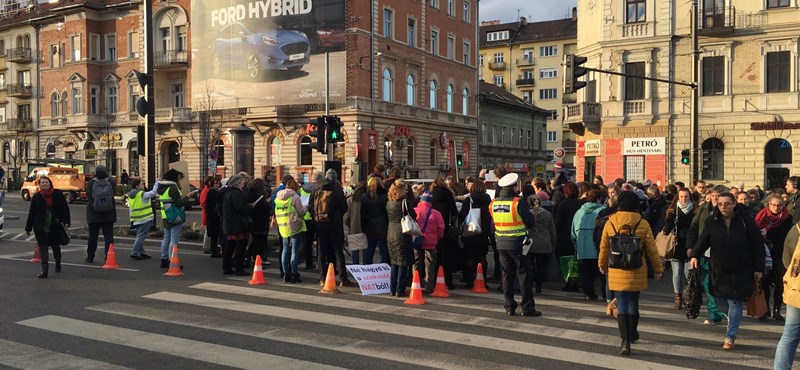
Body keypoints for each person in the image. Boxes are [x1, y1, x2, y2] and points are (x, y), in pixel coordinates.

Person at [691, 192, 765, 350]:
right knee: (719, 300)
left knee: (735, 301)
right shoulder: (712, 220)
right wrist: (695, 255)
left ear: (734, 204)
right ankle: (732, 319)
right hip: (719, 268)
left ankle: (730, 336)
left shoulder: (745, 220)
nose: (723, 207)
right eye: (720, 204)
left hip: (742, 268)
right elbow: (704, 239)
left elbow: (757, 244)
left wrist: (759, 268)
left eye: (727, 203)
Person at [599, 191, 663, 356]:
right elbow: (651, 249)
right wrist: (658, 269)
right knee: (633, 302)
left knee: (621, 302)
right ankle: (632, 333)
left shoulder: (610, 221)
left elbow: (604, 246)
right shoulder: (642, 223)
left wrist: (602, 265)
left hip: (616, 267)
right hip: (636, 267)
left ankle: (624, 341)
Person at [490, 173, 540, 316]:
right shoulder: (518, 202)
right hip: (518, 243)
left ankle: (509, 306)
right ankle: (527, 308)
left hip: (500, 243)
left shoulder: (493, 203)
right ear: (514, 186)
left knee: (506, 275)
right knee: (524, 275)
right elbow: (530, 221)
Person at [686, 185, 728, 325]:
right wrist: (691, 247)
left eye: (719, 196)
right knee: (707, 283)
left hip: (722, 255)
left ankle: (726, 310)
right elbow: (694, 227)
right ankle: (715, 313)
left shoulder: (730, 211)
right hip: (704, 253)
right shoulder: (704, 209)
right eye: (714, 196)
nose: (715, 198)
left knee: (721, 284)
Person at [309, 169, 352, 286]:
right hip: (334, 225)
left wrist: (317, 218)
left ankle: (322, 278)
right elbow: (344, 208)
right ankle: (343, 278)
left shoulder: (316, 189)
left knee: (321, 250)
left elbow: (310, 206)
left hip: (320, 224)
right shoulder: (337, 190)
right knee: (338, 250)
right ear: (336, 177)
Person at [755, 194, 793, 321]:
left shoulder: (787, 218)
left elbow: (788, 237)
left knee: (779, 282)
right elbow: (754, 232)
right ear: (768, 204)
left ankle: (777, 309)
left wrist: (769, 233)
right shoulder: (761, 216)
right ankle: (765, 309)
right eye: (774, 205)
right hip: (763, 253)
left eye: (779, 205)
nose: (776, 208)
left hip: (780, 253)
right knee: (764, 281)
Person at [25, 176, 70, 278]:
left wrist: (66, 222)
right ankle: (44, 270)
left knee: (55, 246)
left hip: (54, 226)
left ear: (50, 183)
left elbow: (65, 208)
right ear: (39, 184)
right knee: (43, 248)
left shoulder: (57, 194)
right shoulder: (37, 197)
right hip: (41, 227)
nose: (44, 184)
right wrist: (28, 228)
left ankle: (58, 262)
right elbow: (32, 213)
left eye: (46, 182)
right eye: (42, 183)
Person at [662, 187, 695, 310]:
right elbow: (666, 229)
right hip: (676, 245)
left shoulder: (695, 210)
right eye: (681, 196)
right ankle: (678, 298)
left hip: (690, 246)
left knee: (688, 274)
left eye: (686, 196)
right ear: (678, 197)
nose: (684, 199)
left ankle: (688, 297)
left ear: (690, 197)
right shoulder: (673, 210)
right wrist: (670, 219)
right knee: (676, 274)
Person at [572, 189, 607, 300]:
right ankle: (605, 293)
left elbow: (573, 230)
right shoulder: (603, 211)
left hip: (582, 245)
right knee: (602, 272)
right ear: (599, 198)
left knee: (586, 272)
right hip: (597, 244)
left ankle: (589, 293)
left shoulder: (579, 212)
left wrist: (575, 242)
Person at [156, 169, 195, 268]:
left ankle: (164, 259)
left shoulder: (162, 187)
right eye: (179, 178)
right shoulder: (172, 187)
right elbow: (179, 203)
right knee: (174, 240)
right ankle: (172, 261)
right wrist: (187, 196)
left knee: (166, 238)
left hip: (165, 215)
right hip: (174, 215)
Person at [458, 179, 492, 289]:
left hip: (471, 232)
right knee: (482, 258)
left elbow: (462, 215)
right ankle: (482, 280)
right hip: (484, 233)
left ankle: (470, 281)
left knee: (470, 257)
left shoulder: (469, 200)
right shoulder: (488, 200)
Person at [275, 177, 307, 282]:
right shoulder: (295, 197)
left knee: (285, 250)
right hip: (294, 226)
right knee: (294, 251)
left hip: (282, 226)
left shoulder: (278, 197)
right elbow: (301, 212)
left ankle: (285, 274)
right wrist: (306, 207)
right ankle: (294, 274)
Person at [386, 179, 415, 296]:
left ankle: (392, 289)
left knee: (394, 262)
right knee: (403, 262)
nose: (407, 192)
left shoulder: (389, 202)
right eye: (405, 189)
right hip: (402, 233)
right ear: (401, 190)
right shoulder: (405, 203)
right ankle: (400, 289)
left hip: (390, 233)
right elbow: (413, 216)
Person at [554, 182, 584, 291]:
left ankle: (568, 281)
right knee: (576, 259)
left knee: (565, 261)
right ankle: (576, 281)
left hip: (564, 235)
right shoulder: (581, 204)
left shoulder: (562, 204)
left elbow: (559, 222)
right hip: (578, 235)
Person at [430, 176, 459, 290]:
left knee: (434, 254)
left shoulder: (431, 194)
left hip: (433, 227)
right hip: (445, 227)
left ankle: (433, 279)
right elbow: (454, 211)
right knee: (446, 254)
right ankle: (448, 280)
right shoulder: (448, 194)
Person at [222, 174, 254, 276]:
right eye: (242, 183)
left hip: (229, 223)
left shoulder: (227, 192)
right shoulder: (236, 193)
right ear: (238, 183)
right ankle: (239, 269)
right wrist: (250, 207)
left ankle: (227, 267)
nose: (243, 185)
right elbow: (240, 208)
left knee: (230, 246)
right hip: (238, 224)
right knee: (240, 246)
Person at [414, 190, 445, 293]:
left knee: (416, 262)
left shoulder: (414, 211)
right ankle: (429, 286)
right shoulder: (436, 213)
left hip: (417, 239)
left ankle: (416, 283)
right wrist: (437, 237)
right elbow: (441, 228)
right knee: (430, 263)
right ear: (430, 202)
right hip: (431, 242)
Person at [85, 165, 116, 264]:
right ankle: (108, 256)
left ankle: (90, 256)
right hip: (108, 213)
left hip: (94, 214)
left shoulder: (90, 183)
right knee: (108, 237)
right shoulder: (111, 182)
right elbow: (113, 195)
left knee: (92, 237)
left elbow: (89, 197)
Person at [527, 195, 556, 294]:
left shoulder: (528, 214)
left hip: (530, 243)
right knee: (541, 266)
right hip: (544, 243)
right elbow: (552, 230)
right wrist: (553, 243)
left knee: (528, 266)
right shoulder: (547, 214)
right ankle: (538, 286)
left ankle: (529, 284)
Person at [126, 179, 159, 260]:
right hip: (144, 218)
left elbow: (130, 209)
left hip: (136, 219)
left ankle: (141, 252)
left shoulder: (130, 195)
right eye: (141, 184)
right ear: (137, 186)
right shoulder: (141, 194)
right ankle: (134, 253)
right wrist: (157, 183)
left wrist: (132, 221)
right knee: (141, 237)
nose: (143, 185)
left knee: (139, 236)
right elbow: (153, 193)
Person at [244, 178, 271, 269]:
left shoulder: (246, 194)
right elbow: (264, 210)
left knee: (254, 241)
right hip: (260, 222)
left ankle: (248, 258)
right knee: (259, 243)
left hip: (251, 221)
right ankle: (257, 260)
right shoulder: (259, 197)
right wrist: (267, 204)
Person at [361, 176, 389, 264]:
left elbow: (362, 214)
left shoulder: (365, 196)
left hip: (370, 227)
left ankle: (368, 272)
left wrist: (364, 228)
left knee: (369, 253)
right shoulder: (385, 197)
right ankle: (382, 271)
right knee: (383, 253)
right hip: (383, 227)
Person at [300, 172, 323, 270]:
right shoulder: (320, 189)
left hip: (306, 217)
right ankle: (319, 263)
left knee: (307, 242)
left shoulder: (303, 188)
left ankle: (308, 263)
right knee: (320, 241)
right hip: (317, 218)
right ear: (320, 179)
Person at [200, 176, 223, 257]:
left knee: (215, 235)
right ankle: (213, 251)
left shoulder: (215, 191)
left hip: (214, 217)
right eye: (215, 183)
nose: (217, 185)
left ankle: (213, 250)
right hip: (213, 217)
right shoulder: (212, 192)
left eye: (218, 183)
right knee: (214, 235)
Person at [344, 182, 366, 265]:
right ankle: (365, 271)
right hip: (365, 228)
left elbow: (346, 217)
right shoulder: (367, 199)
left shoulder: (350, 200)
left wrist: (350, 225)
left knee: (355, 252)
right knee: (365, 252)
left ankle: (355, 270)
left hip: (354, 228)